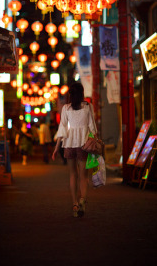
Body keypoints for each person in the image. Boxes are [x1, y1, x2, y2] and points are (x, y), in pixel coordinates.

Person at [52, 82, 98, 217]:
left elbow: (62, 130)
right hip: (84, 144)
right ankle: (82, 199)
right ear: (82, 94)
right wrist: (95, 143)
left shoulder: (66, 108)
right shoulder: (88, 107)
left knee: (73, 175)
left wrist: (56, 149)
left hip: (69, 144)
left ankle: (74, 204)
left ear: (70, 95)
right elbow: (93, 128)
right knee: (84, 176)